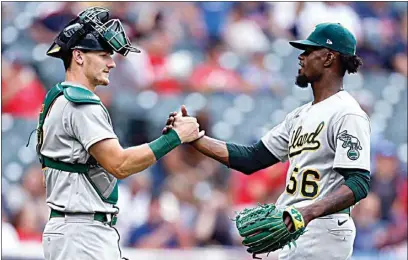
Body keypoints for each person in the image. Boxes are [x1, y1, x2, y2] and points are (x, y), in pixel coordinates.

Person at [164, 22, 371, 259]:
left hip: (324, 226)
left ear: (328, 58)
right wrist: (196, 140)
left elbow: (358, 183)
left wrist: (308, 212)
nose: (301, 57)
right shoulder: (299, 116)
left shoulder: (347, 113)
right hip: (295, 225)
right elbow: (252, 158)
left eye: (308, 51)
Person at [37, 7, 202, 260]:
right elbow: (120, 164)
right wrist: (175, 138)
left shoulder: (59, 96)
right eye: (103, 55)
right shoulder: (80, 103)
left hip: (76, 230)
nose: (112, 63)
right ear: (78, 56)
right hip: (81, 233)